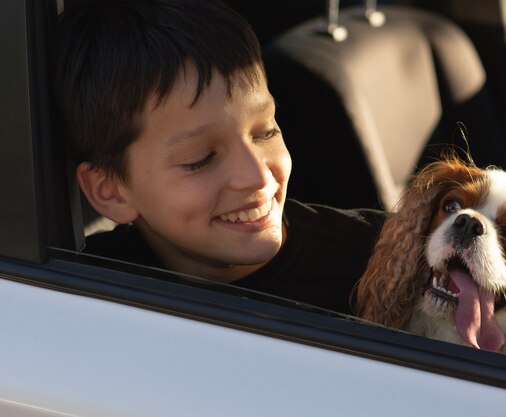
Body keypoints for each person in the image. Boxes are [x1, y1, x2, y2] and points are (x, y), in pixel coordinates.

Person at [54, 0, 387, 315]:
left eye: (266, 132)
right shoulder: (77, 295)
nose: (258, 177)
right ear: (110, 191)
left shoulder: (382, 262)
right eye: (201, 159)